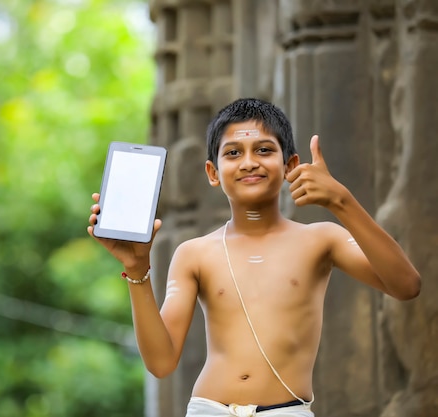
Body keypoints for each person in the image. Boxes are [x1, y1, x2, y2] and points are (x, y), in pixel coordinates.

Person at [87, 98, 421, 417]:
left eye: (264, 150)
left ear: (290, 164)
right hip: (208, 410)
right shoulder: (194, 253)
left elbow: (406, 284)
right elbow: (161, 363)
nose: (249, 162)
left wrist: (341, 202)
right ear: (213, 172)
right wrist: (137, 268)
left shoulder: (321, 239)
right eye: (233, 153)